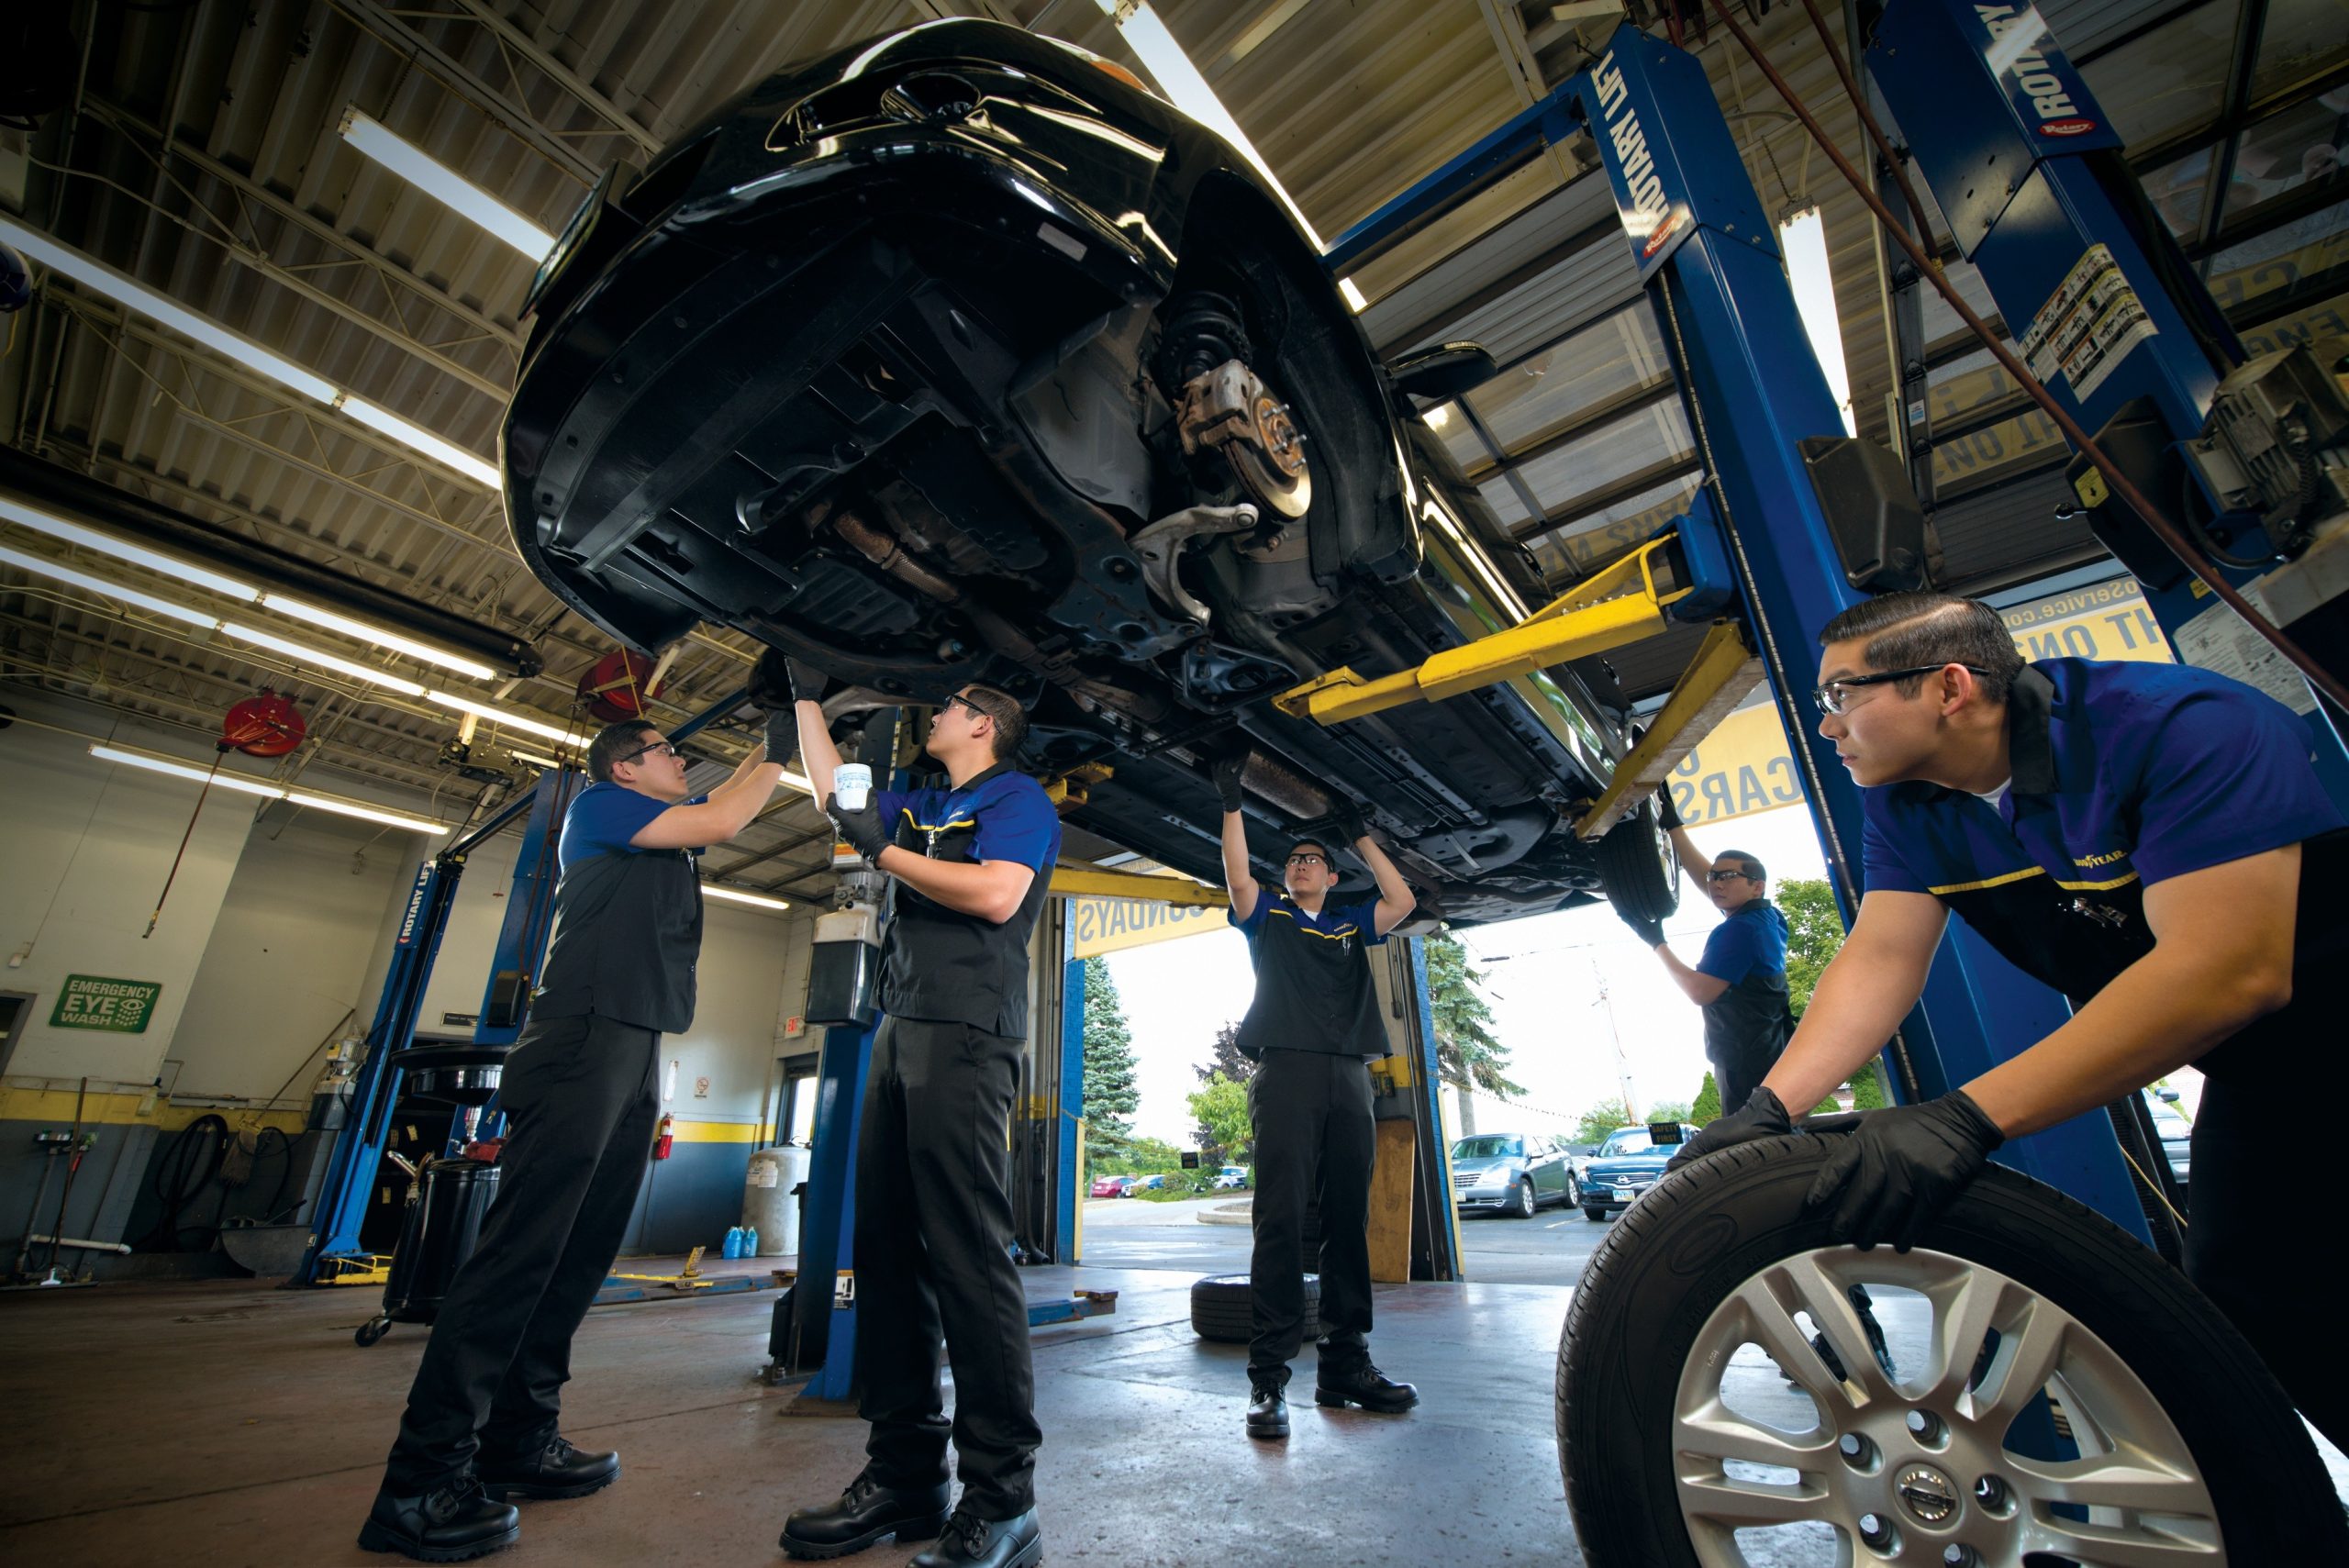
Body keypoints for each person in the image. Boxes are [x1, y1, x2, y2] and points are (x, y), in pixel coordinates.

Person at [1675, 590, 2347, 1449]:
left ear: (1949, 686)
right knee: (2253, 1286)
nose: (1827, 724)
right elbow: (1883, 955)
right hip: (2277, 1067)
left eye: (1842, 695)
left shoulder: (2176, 725)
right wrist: (1771, 1110)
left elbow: (2228, 970)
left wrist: (1967, 1118)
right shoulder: (1907, 802)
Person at [362, 711, 793, 1562]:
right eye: (670, 751)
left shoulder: (656, 831)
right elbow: (729, 814)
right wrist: (786, 740)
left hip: (634, 1045)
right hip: (581, 1040)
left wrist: (781, 722)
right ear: (626, 769)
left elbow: (719, 804)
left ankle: (518, 1440)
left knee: (579, 1254)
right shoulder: (600, 806)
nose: (682, 760)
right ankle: (418, 1483)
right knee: (520, 1254)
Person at [777, 664, 1061, 1568]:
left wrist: (881, 850)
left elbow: (996, 894)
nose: (933, 713)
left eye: (948, 705)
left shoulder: (1018, 797)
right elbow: (838, 797)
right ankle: (903, 1475)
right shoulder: (924, 800)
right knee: (890, 1254)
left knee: (969, 1258)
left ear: (982, 723)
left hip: (969, 1033)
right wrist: (805, 698)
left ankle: (1001, 1496)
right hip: (902, 1028)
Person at [1213, 751, 1419, 1441]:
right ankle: (1268, 1380)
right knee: (1279, 1220)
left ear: (1332, 877)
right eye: (1294, 859)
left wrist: (1359, 834)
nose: (1301, 864)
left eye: (1314, 859)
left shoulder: (1351, 922)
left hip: (1349, 1076)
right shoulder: (1267, 913)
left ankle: (1345, 1364)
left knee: (1347, 1220)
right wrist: (1232, 801)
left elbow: (1403, 900)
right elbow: (1238, 875)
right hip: (1289, 1071)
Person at [1618, 806, 1794, 1115]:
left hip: (1745, 1062)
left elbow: (1700, 991)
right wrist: (1674, 829)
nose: (1716, 884)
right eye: (1714, 877)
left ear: (1757, 885)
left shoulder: (1738, 930)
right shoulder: (1767, 917)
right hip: (1770, 1051)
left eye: (1727, 877)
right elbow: (1712, 885)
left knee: (1751, 1144)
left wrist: (1655, 941)